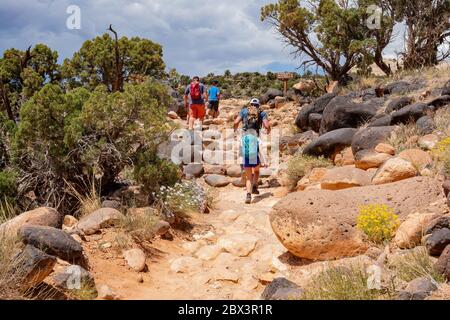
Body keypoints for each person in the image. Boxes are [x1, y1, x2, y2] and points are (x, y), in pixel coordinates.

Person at [234, 98, 271, 204]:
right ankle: (255, 186)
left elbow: (236, 122)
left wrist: (235, 129)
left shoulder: (244, 111)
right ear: (258, 105)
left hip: (245, 139)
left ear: (250, 104)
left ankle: (249, 195)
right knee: (258, 169)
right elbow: (267, 126)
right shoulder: (262, 113)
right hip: (256, 140)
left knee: (248, 172)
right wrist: (269, 130)